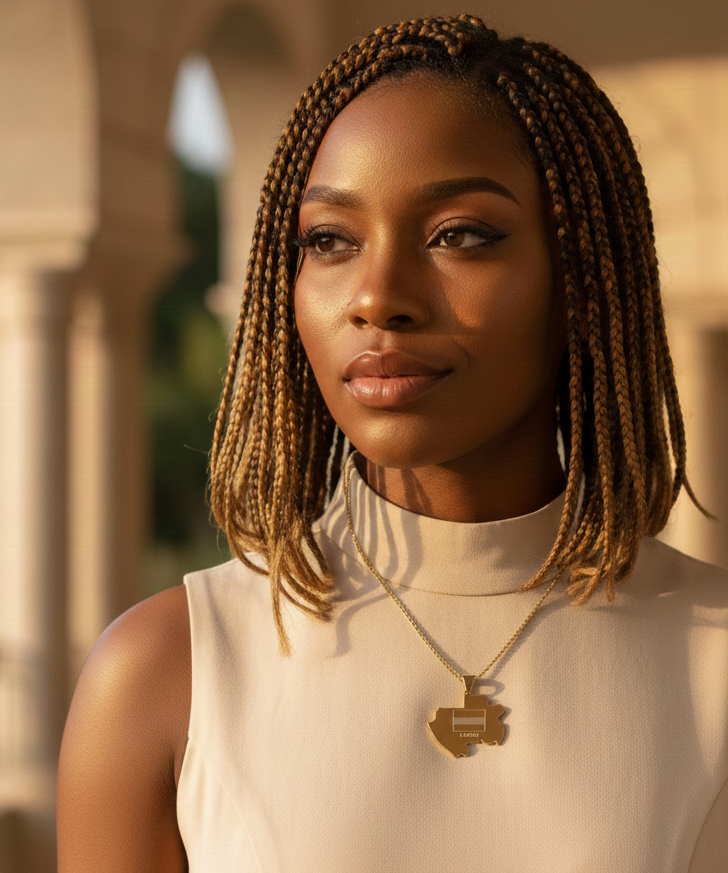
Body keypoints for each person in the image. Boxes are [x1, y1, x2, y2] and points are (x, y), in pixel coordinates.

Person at [57, 14, 728, 872]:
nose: (378, 297)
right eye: (330, 241)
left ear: (580, 279)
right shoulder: (161, 678)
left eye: (460, 234)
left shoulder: (712, 660)